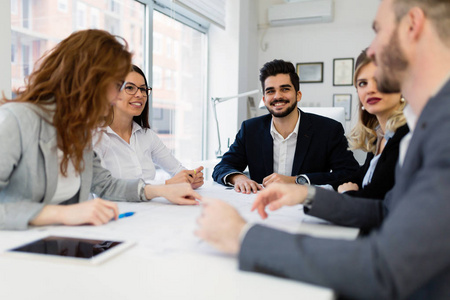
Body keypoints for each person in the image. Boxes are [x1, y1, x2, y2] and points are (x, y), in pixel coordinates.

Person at [196, 0, 450, 298]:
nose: (372, 51)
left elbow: (384, 267)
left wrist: (243, 236)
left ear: (412, 25)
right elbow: (385, 210)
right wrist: (307, 194)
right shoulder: (423, 124)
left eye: (377, 31)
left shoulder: (441, 129)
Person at [0, 29, 201, 231]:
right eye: (116, 85)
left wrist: (160, 191)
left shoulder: (78, 130)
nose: (116, 96)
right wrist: (63, 214)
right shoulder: (16, 119)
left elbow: (106, 185)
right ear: (87, 79)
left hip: (60, 242)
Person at [212, 59, 359, 194]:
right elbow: (222, 167)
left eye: (285, 89)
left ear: (298, 95)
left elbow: (350, 173)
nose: (277, 96)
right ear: (264, 99)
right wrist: (238, 178)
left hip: (307, 208)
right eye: (270, 91)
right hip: (262, 207)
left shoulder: (328, 130)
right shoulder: (250, 129)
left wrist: (297, 180)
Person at [93, 65, 204, 189]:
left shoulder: (147, 136)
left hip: (150, 207)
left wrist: (190, 178)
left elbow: (177, 170)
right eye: (130, 88)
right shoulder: (96, 137)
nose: (140, 94)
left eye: (143, 89)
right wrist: (165, 185)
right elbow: (102, 188)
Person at [334, 49, 409, 199]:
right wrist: (309, 190)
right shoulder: (379, 135)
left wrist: (347, 194)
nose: (370, 90)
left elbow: (375, 199)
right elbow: (358, 177)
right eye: (362, 83)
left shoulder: (405, 134)